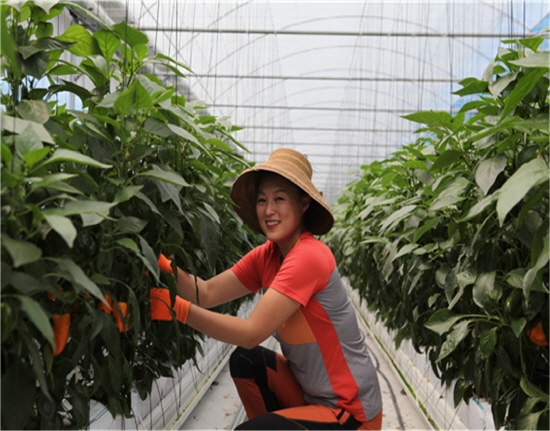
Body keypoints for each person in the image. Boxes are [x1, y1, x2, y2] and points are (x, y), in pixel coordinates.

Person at [150, 148, 383, 430]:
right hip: (310, 397)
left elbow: (251, 333)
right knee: (245, 361)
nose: (269, 210)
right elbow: (207, 293)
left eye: (279, 199)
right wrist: (155, 260)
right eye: (262, 200)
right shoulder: (268, 256)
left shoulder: (310, 256)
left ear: (304, 203)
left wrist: (176, 309)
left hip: (350, 412)